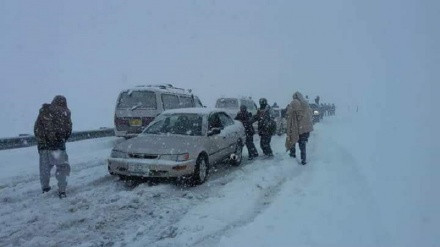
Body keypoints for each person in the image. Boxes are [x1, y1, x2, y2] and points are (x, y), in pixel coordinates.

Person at [34, 95, 72, 198]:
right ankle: (62, 190)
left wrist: (42, 143)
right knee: (62, 168)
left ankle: (45, 188)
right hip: (58, 147)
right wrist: (61, 140)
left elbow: (37, 129)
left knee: (44, 169)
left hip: (44, 147)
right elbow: (68, 131)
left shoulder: (44, 112)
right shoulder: (65, 113)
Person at [285, 91, 314, 165]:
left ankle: (292, 156)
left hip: (297, 128)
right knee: (302, 145)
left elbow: (290, 113)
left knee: (292, 140)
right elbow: (309, 118)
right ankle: (303, 160)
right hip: (305, 130)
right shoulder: (306, 105)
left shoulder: (295, 102)